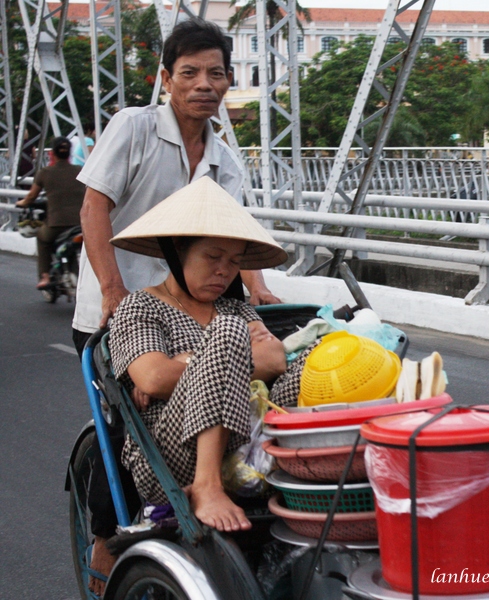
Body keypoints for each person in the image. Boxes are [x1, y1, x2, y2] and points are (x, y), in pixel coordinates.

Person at [73, 18, 281, 592]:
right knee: (123, 429)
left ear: (228, 81)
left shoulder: (225, 157)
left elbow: (233, 237)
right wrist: (115, 292)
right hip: (121, 308)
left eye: (216, 74)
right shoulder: (134, 128)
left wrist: (257, 286)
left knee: (268, 372)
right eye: (189, 73)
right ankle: (106, 540)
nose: (203, 85)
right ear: (165, 78)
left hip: (202, 308)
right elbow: (95, 209)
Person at [107, 177, 307, 532]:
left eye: (232, 262)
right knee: (227, 333)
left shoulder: (235, 307)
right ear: (177, 252)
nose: (224, 271)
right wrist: (221, 353)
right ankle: (207, 485)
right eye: (212, 257)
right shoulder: (139, 306)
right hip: (171, 458)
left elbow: (276, 359)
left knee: (320, 358)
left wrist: (185, 360)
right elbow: (152, 378)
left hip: (248, 440)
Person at [15, 137, 86, 288]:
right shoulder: (80, 171)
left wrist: (21, 203)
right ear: (69, 153)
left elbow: (31, 197)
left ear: (52, 153)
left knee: (42, 238)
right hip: (81, 223)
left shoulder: (45, 173)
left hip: (57, 224)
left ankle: (45, 276)